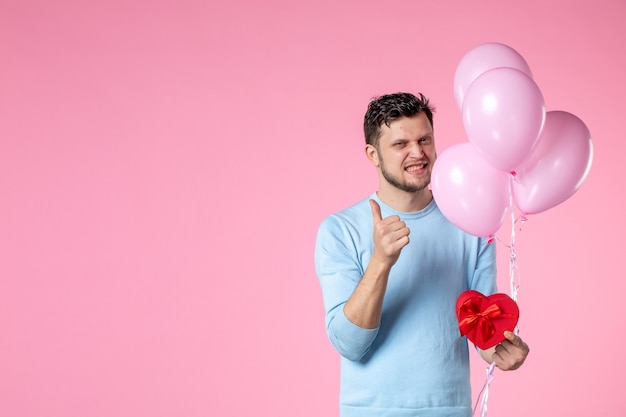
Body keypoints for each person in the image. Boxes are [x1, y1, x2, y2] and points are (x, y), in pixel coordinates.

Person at [314, 92, 529, 417]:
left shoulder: (470, 221)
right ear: (373, 154)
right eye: (401, 144)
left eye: (424, 139)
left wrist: (501, 349)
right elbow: (349, 345)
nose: (418, 153)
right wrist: (380, 263)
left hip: (449, 410)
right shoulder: (340, 230)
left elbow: (482, 330)